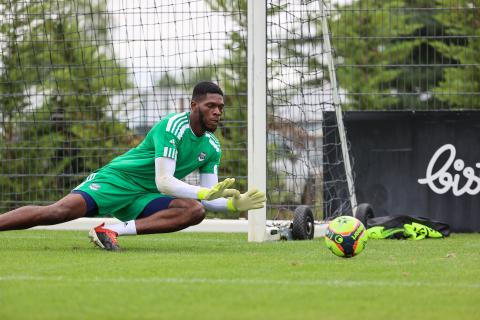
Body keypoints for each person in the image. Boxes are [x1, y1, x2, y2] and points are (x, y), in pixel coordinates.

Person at [0, 81, 266, 250]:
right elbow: (165, 181)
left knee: (195, 211)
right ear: (194, 105)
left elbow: (208, 198)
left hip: (145, 198)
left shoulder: (212, 147)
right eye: (211, 106)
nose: (217, 112)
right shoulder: (172, 126)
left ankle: (110, 230)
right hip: (117, 180)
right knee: (58, 213)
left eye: (220, 107)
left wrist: (234, 205)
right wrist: (203, 194)